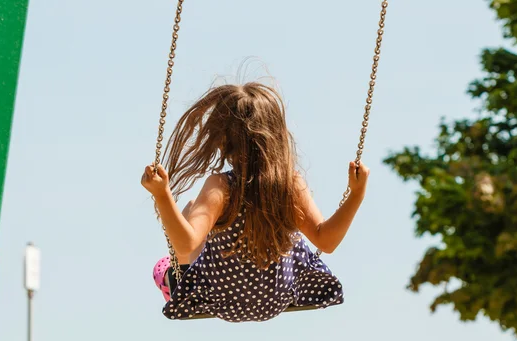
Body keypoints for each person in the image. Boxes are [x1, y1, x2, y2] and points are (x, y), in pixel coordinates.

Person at [141, 82, 370, 322]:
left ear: (222, 140)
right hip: (278, 297)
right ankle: (180, 275)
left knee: (189, 212)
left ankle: (175, 278)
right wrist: (356, 195)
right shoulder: (289, 185)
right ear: (278, 135)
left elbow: (187, 243)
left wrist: (162, 195)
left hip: (222, 299)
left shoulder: (221, 187)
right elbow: (327, 241)